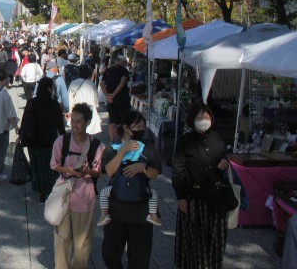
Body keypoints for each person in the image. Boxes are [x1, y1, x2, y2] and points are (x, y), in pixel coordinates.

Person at [172, 103, 230, 269]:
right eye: (199, 118)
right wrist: (181, 196)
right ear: (192, 120)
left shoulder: (217, 137)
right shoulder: (185, 141)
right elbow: (178, 170)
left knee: (216, 238)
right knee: (195, 238)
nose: (204, 120)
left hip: (216, 197)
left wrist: (225, 162)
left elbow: (224, 155)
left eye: (206, 117)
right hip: (194, 198)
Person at [101, 111, 162, 269]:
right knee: (110, 254)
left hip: (140, 211)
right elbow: (109, 171)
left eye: (143, 126)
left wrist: (143, 167)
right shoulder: (113, 147)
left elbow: (155, 174)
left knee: (139, 259)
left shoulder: (148, 148)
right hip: (116, 210)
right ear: (127, 128)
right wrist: (122, 151)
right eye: (138, 126)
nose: (141, 129)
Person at [50, 104, 103, 269]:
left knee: (82, 242)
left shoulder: (96, 146)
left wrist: (89, 171)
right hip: (64, 195)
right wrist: (67, 169)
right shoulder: (62, 141)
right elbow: (54, 164)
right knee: (62, 238)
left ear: (87, 122)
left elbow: (99, 171)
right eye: (72, 120)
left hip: (85, 197)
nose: (74, 125)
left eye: (78, 122)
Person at [19, 77, 65, 203]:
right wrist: (64, 138)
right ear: (50, 89)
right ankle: (50, 188)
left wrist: (21, 135)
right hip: (50, 140)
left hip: (34, 140)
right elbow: (60, 125)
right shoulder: (55, 104)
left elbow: (25, 121)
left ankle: (41, 192)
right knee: (50, 166)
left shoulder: (32, 103)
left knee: (37, 166)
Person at [100, 55, 130, 142]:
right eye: (125, 62)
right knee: (124, 119)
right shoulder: (124, 70)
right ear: (122, 62)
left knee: (112, 120)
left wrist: (107, 95)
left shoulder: (108, 70)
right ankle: (124, 140)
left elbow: (102, 84)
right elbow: (123, 82)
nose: (125, 64)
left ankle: (112, 141)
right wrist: (114, 94)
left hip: (111, 99)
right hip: (122, 99)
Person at [68, 64, 102, 135]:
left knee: (77, 131)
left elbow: (70, 98)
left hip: (77, 109)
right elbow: (96, 99)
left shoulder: (73, 83)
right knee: (89, 132)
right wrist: (96, 106)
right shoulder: (91, 83)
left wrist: (71, 110)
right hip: (90, 109)